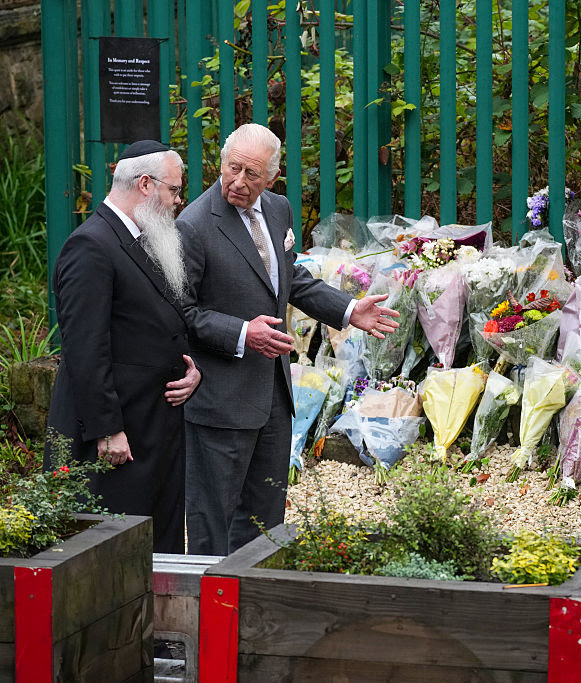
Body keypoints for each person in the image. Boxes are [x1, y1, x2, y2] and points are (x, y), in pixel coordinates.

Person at [177, 123, 399, 555]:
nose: (239, 181)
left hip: (274, 397)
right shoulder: (194, 225)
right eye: (233, 168)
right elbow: (183, 313)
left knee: (266, 522)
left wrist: (349, 310)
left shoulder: (278, 209)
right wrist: (244, 332)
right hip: (220, 400)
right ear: (221, 162)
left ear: (272, 177)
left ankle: (258, 592)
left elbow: (288, 277)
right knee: (212, 523)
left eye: (252, 174)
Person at [47, 140, 201, 554]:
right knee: (116, 555)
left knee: (158, 548)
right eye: (173, 190)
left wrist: (191, 372)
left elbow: (160, 324)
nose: (178, 201)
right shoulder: (91, 245)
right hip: (118, 439)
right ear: (146, 185)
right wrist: (107, 429)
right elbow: (85, 348)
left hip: (153, 427)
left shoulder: (142, 239)